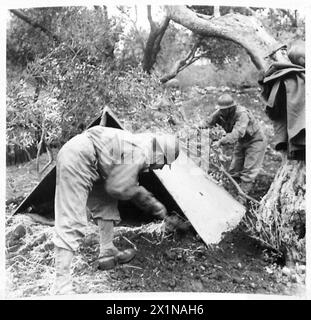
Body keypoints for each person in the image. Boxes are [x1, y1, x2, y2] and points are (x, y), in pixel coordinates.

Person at [52, 125, 179, 295]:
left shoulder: (141, 145)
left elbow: (119, 181)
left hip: (94, 160)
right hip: (80, 156)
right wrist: (152, 203)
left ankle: (107, 250)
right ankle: (61, 286)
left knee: (106, 203)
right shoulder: (141, 151)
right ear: (160, 152)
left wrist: (142, 196)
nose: (161, 167)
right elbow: (118, 187)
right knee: (71, 218)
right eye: (164, 162)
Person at [199, 93, 267, 196]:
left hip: (255, 141)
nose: (222, 111)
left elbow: (238, 133)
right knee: (234, 170)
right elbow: (207, 122)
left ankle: (242, 199)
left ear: (231, 108)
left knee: (248, 172)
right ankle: (231, 195)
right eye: (221, 109)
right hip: (241, 142)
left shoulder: (242, 114)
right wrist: (197, 128)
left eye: (224, 109)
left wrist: (221, 141)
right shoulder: (220, 113)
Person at [259, 41, 305, 160]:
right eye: (281, 52)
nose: (283, 54)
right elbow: (273, 106)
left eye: (285, 51)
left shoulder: (294, 73)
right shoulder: (283, 75)